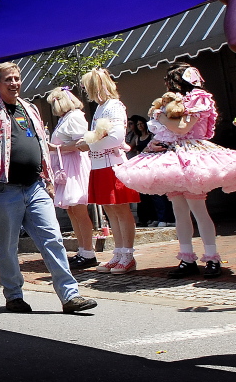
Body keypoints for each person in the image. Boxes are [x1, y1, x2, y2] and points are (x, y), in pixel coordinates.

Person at [0, 60, 96, 314]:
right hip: (4, 188)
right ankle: (14, 296)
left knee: (53, 239)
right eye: (8, 80)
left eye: (17, 78)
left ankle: (70, 296)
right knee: (7, 246)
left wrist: (47, 180)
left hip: (35, 186)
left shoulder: (31, 109)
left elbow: (40, 143)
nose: (14, 83)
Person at [115, 63, 236, 279]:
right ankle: (187, 258)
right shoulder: (176, 101)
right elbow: (171, 131)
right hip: (173, 156)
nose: (168, 85)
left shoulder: (199, 97)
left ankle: (211, 257)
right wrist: (153, 143)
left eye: (170, 80)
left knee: (198, 209)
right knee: (179, 211)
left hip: (193, 155)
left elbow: (183, 128)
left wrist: (160, 117)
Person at [77, 68, 139, 274]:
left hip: (112, 164)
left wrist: (90, 145)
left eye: (88, 87)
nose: (86, 91)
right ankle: (119, 252)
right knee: (110, 211)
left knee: (121, 209)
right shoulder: (101, 108)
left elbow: (116, 138)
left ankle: (128, 255)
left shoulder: (114, 107)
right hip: (99, 164)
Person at [45, 87, 95, 269]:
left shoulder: (74, 117)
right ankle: (82, 250)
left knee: (79, 210)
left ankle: (89, 252)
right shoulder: (65, 118)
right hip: (65, 166)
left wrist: (55, 148)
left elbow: (81, 143)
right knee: (72, 211)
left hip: (74, 166)